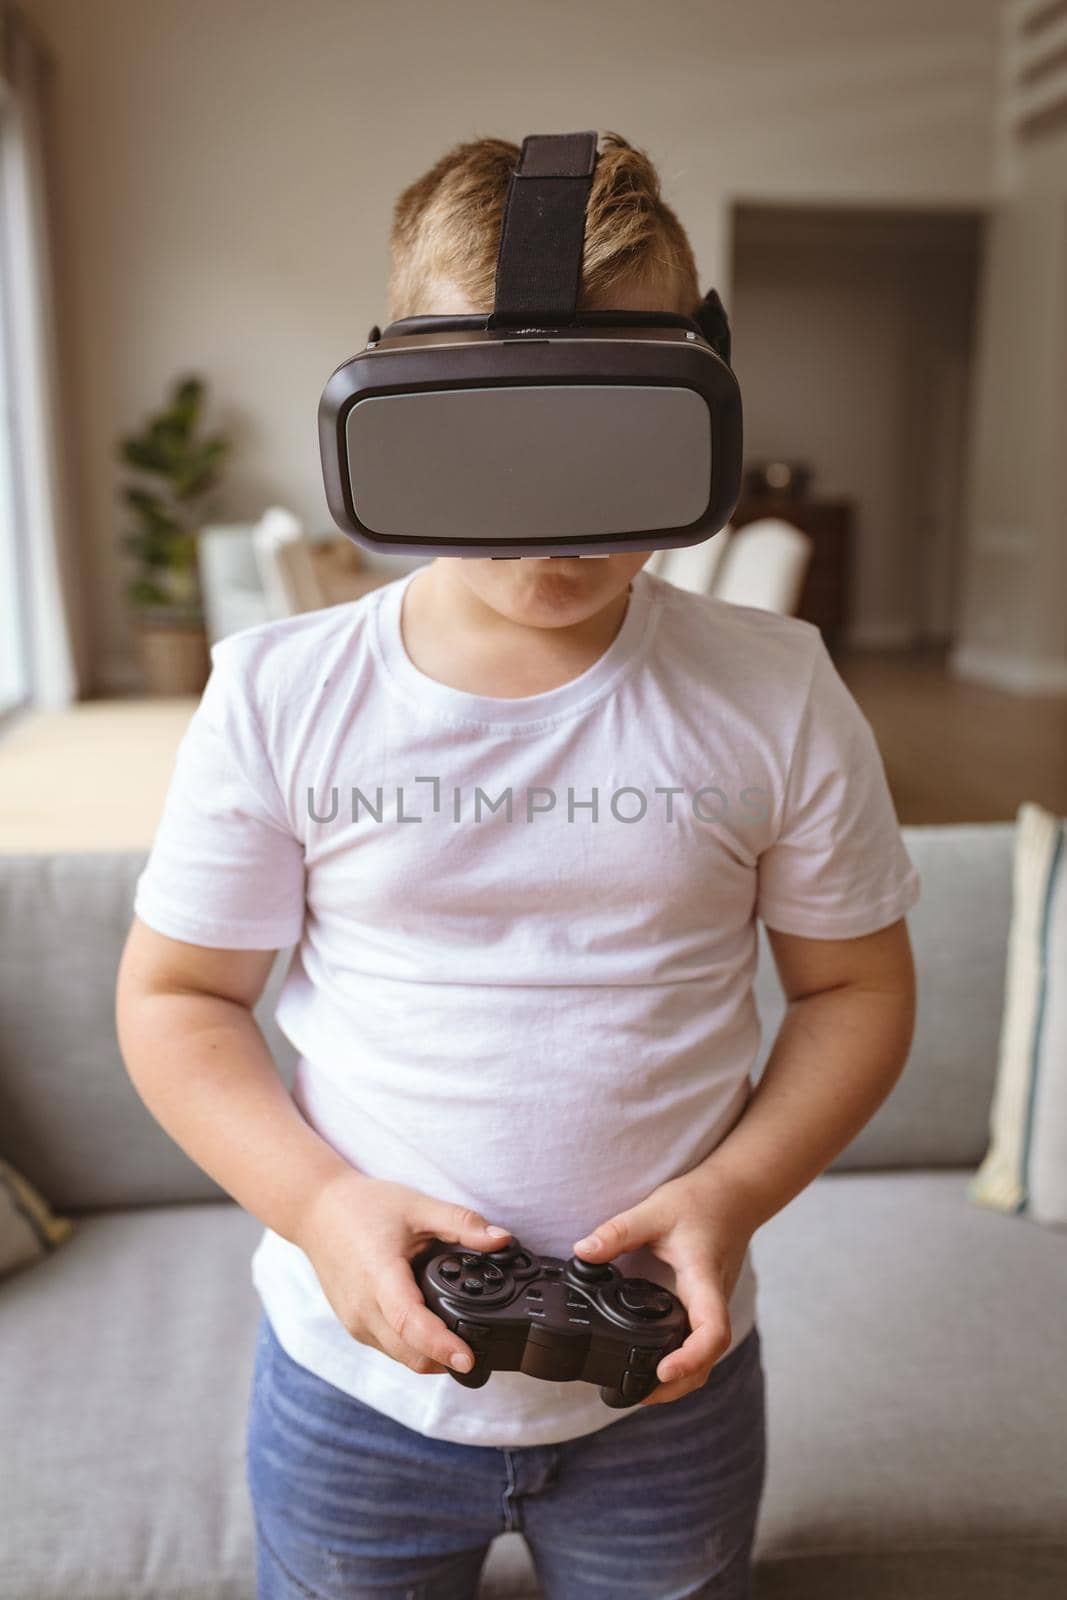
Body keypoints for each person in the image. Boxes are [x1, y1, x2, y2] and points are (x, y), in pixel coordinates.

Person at [116, 132, 919, 1600]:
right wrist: (317, 1206)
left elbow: (859, 985)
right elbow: (177, 998)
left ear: (698, 410)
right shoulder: (281, 694)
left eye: (604, 432)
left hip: (666, 1394)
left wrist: (735, 1193)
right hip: (351, 1388)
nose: (552, 511)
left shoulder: (779, 689)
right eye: (497, 433)